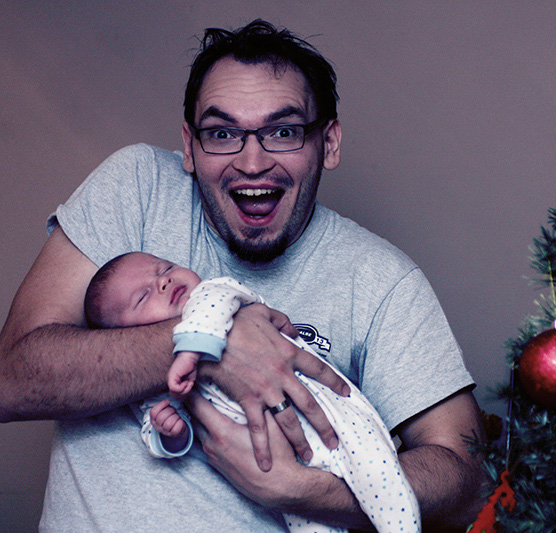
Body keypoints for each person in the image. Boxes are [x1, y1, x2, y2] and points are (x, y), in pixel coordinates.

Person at [0, 19, 486, 531]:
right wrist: (216, 346)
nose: (252, 163)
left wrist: (308, 491)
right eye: (222, 133)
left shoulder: (382, 281)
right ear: (190, 146)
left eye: (283, 131)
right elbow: (9, 379)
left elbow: (465, 476)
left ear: (329, 142)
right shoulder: (137, 188)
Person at [83, 250, 421, 532]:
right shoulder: (157, 378)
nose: (163, 281)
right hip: (283, 467)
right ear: (125, 335)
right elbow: (153, 423)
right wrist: (170, 432)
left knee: (379, 480)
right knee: (314, 524)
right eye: (143, 297)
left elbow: (210, 310)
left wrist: (188, 352)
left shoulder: (215, 293)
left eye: (165, 268)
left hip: (332, 421)